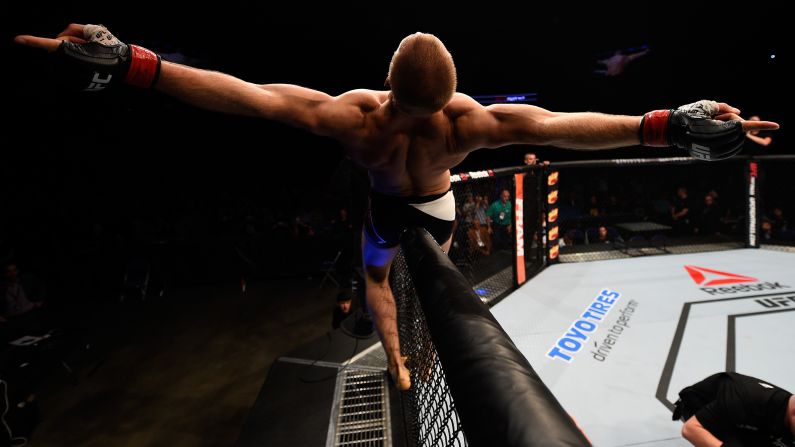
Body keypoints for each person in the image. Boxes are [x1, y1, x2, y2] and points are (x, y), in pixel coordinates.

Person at [14, 24, 778, 391]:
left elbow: (242, 96)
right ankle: (428, 342)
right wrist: (664, 124)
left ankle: (402, 359)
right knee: (435, 278)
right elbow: (567, 128)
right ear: (446, 91)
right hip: (437, 213)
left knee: (377, 278)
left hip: (384, 211)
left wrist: (135, 68)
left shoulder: (354, 118)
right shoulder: (466, 123)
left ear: (386, 81)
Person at [672, 372, 795, 446]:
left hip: (751, 419)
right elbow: (690, 429)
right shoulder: (747, 400)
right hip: (699, 408)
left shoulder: (786, 409)